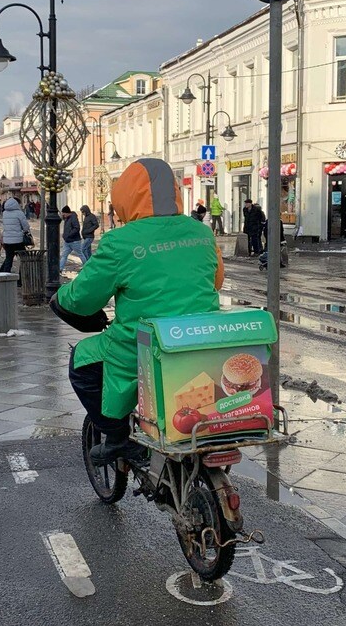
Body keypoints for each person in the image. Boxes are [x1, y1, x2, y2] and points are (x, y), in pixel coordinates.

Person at [56, 159, 225, 464]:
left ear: (125, 196)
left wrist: (60, 296)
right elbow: (217, 280)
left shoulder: (120, 241)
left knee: (81, 363)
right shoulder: (200, 232)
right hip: (202, 341)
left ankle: (118, 437)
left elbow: (82, 299)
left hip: (142, 345)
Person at [0, 194, 30, 274]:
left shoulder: (5, 213)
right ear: (16, 204)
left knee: (9, 259)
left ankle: (5, 277)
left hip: (7, 241)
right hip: (18, 241)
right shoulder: (19, 213)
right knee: (24, 258)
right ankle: (21, 278)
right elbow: (26, 227)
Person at [60, 206, 84, 272]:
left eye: (64, 214)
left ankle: (86, 266)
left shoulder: (73, 218)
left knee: (80, 254)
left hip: (74, 241)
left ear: (67, 213)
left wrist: (68, 235)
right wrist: (65, 235)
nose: (63, 215)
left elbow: (77, 228)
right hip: (67, 241)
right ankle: (60, 268)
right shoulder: (67, 218)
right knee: (64, 255)